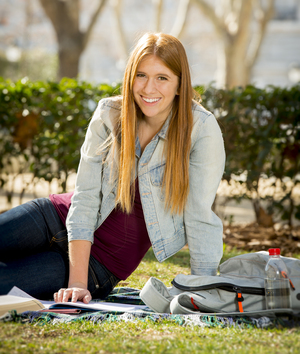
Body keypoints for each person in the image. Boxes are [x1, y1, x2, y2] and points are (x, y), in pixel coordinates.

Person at [0, 32, 225, 304]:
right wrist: (76, 282)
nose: (148, 88)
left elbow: (200, 217)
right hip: (55, 217)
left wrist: (202, 295)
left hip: (100, 266)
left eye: (162, 78)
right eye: (140, 75)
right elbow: (85, 195)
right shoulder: (109, 114)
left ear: (180, 84)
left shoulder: (200, 129)